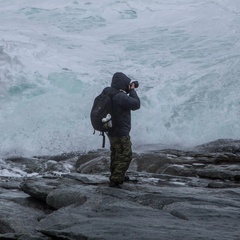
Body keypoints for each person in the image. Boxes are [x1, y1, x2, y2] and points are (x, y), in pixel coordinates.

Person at [107, 72, 141, 188]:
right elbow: (136, 104)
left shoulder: (108, 93)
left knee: (116, 153)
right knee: (126, 155)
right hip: (121, 131)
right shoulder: (120, 97)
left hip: (111, 129)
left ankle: (116, 174)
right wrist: (132, 91)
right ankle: (116, 180)